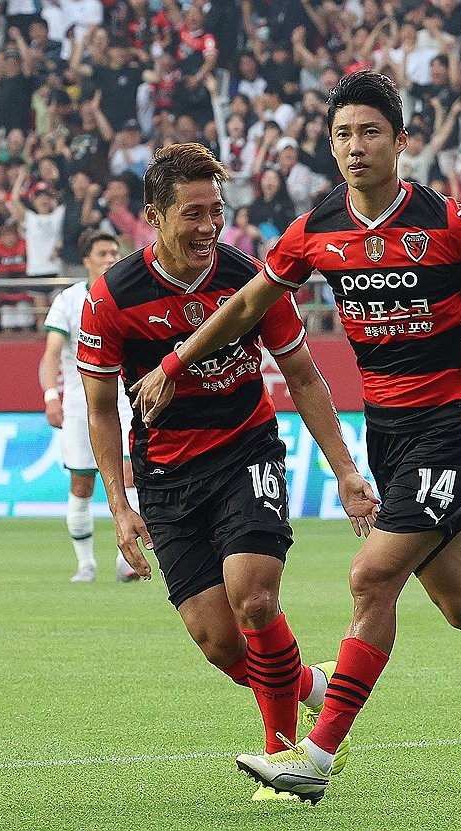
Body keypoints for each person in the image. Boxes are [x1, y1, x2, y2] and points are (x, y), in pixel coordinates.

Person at [129, 71, 461, 803]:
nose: (355, 147)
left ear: (401, 140)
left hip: (454, 429)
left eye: (370, 132)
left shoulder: (454, 223)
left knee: (370, 577)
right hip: (388, 436)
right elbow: (249, 301)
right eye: (344, 134)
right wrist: (173, 361)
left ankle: (315, 757)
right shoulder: (317, 230)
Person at [77, 142, 380, 802]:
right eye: (192, 213)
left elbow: (302, 373)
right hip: (164, 477)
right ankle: (314, 689)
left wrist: (345, 468)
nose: (209, 226)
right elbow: (100, 409)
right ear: (153, 216)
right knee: (219, 641)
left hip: (247, 452)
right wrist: (120, 501)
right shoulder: (111, 298)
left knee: (254, 594)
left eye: (217, 210)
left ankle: (283, 757)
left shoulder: (251, 278)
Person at [41, 229, 139, 583]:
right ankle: (85, 564)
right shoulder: (67, 301)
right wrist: (51, 395)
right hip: (82, 407)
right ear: (86, 260)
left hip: (127, 401)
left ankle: (124, 560)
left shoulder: (130, 296)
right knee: (82, 483)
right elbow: (52, 352)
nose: (111, 258)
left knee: (130, 477)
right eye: (103, 253)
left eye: (115, 252)